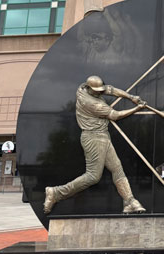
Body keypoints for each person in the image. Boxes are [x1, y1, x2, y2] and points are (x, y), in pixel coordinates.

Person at [43, 75, 147, 214]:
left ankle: (129, 201)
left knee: (117, 169)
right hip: (93, 137)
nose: (100, 92)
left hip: (103, 136)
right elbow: (115, 115)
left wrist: (131, 97)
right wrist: (137, 108)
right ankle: (56, 193)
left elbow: (111, 90)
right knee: (93, 176)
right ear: (90, 89)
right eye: (97, 90)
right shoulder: (90, 103)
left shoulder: (82, 88)